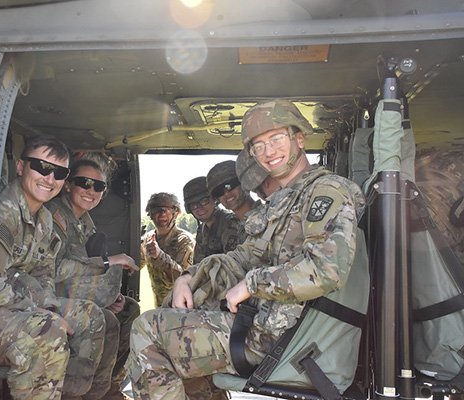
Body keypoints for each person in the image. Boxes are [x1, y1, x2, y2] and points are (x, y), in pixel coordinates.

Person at [126, 100, 367, 399]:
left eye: (277, 139)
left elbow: (326, 270)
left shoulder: (326, 190)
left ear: (299, 139)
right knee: (173, 309)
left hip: (281, 339)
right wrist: (188, 278)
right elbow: (243, 257)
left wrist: (252, 284)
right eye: (258, 146)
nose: (269, 152)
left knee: (147, 330)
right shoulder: (284, 201)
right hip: (266, 324)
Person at [46, 158, 140, 400]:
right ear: (68, 185)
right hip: (45, 292)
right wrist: (109, 262)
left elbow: (82, 269)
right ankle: (77, 394)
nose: (91, 191)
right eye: (84, 183)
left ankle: (107, 387)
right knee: (103, 318)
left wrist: (107, 294)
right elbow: (55, 269)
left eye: (98, 187)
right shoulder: (55, 216)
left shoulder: (84, 221)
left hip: (68, 291)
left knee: (129, 309)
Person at [0, 135, 72, 400]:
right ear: (20, 167)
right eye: (41, 167)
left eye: (59, 172)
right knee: (48, 329)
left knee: (88, 318)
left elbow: (43, 272)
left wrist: (46, 302)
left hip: (12, 308)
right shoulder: (4, 212)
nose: (49, 179)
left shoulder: (45, 218)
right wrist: (33, 309)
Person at [140, 192, 195, 307]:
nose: (161, 215)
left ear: (176, 213)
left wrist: (160, 256)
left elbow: (184, 278)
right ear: (150, 214)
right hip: (160, 307)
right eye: (156, 210)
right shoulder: (147, 239)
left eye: (166, 210)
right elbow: (135, 265)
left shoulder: (185, 241)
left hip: (180, 306)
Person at [183, 176, 244, 263]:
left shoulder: (230, 222)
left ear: (214, 200)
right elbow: (198, 263)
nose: (199, 207)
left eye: (204, 201)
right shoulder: (202, 230)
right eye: (194, 205)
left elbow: (233, 264)